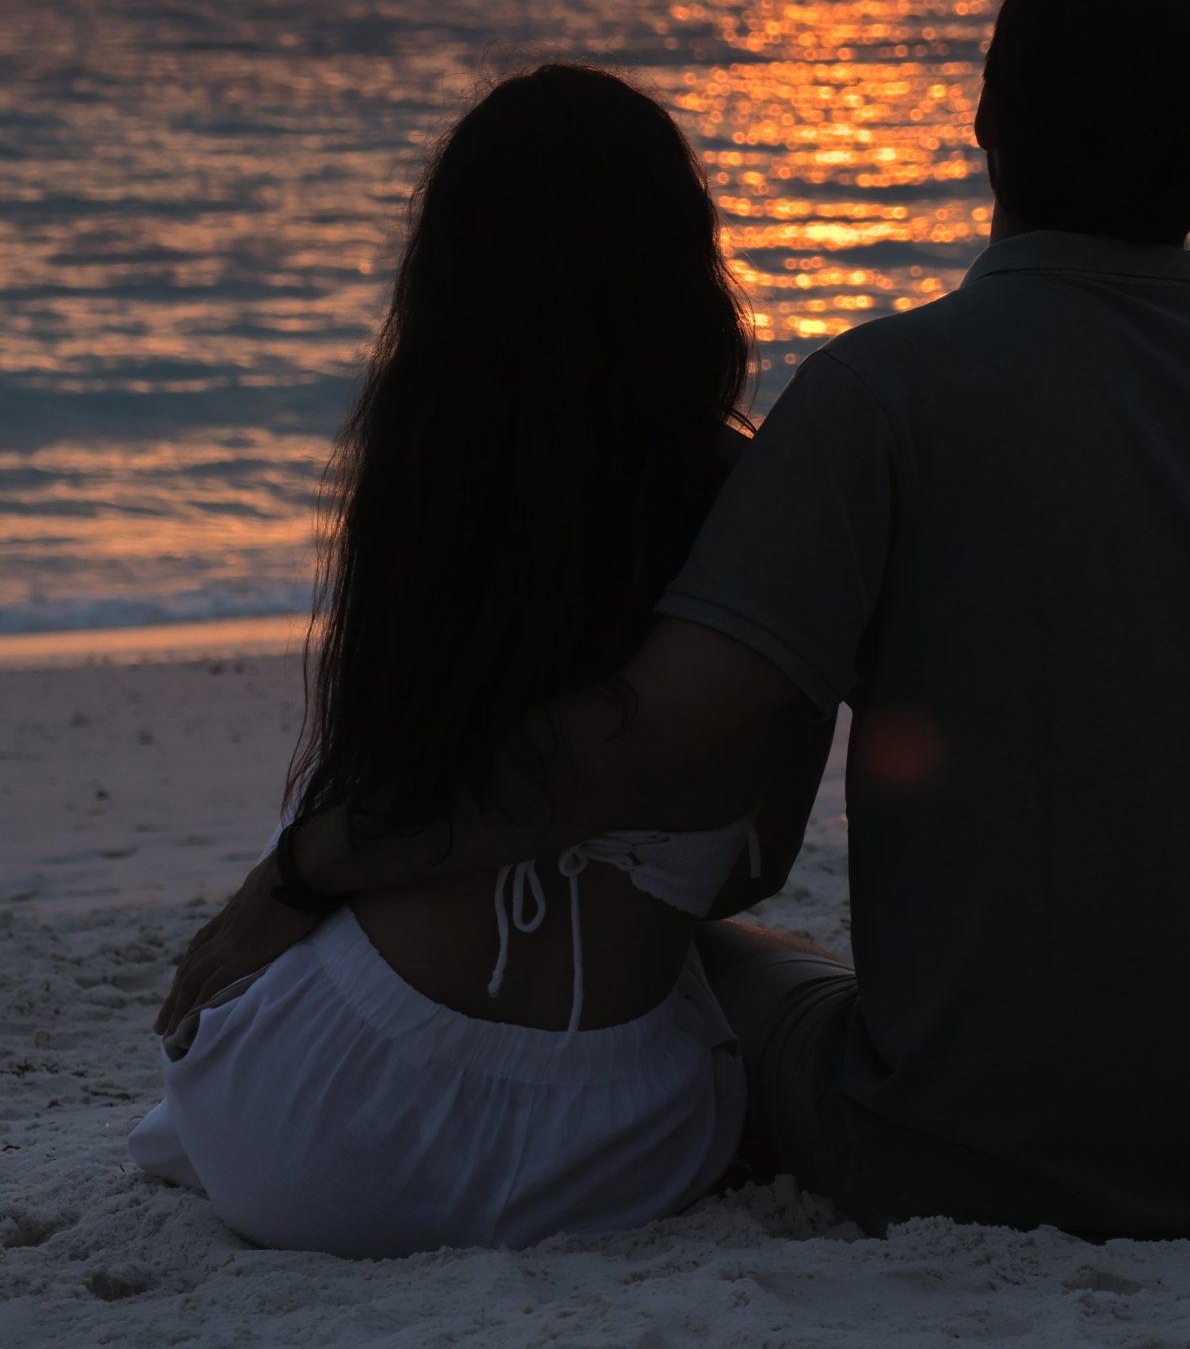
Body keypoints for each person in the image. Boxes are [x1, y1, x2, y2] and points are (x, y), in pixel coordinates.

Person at [161, 0, 1190, 1245]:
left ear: (980, 117)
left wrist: (310, 867)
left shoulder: (877, 403)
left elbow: (623, 762)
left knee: (713, 974)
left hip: (985, 1160)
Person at [133, 64, 832, 1255]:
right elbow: (748, 872)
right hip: (619, 1145)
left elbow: (389, 781)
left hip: (310, 1140)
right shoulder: (768, 512)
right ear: (686, 266)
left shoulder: (430, 481)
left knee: (327, 818)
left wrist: (303, 881)